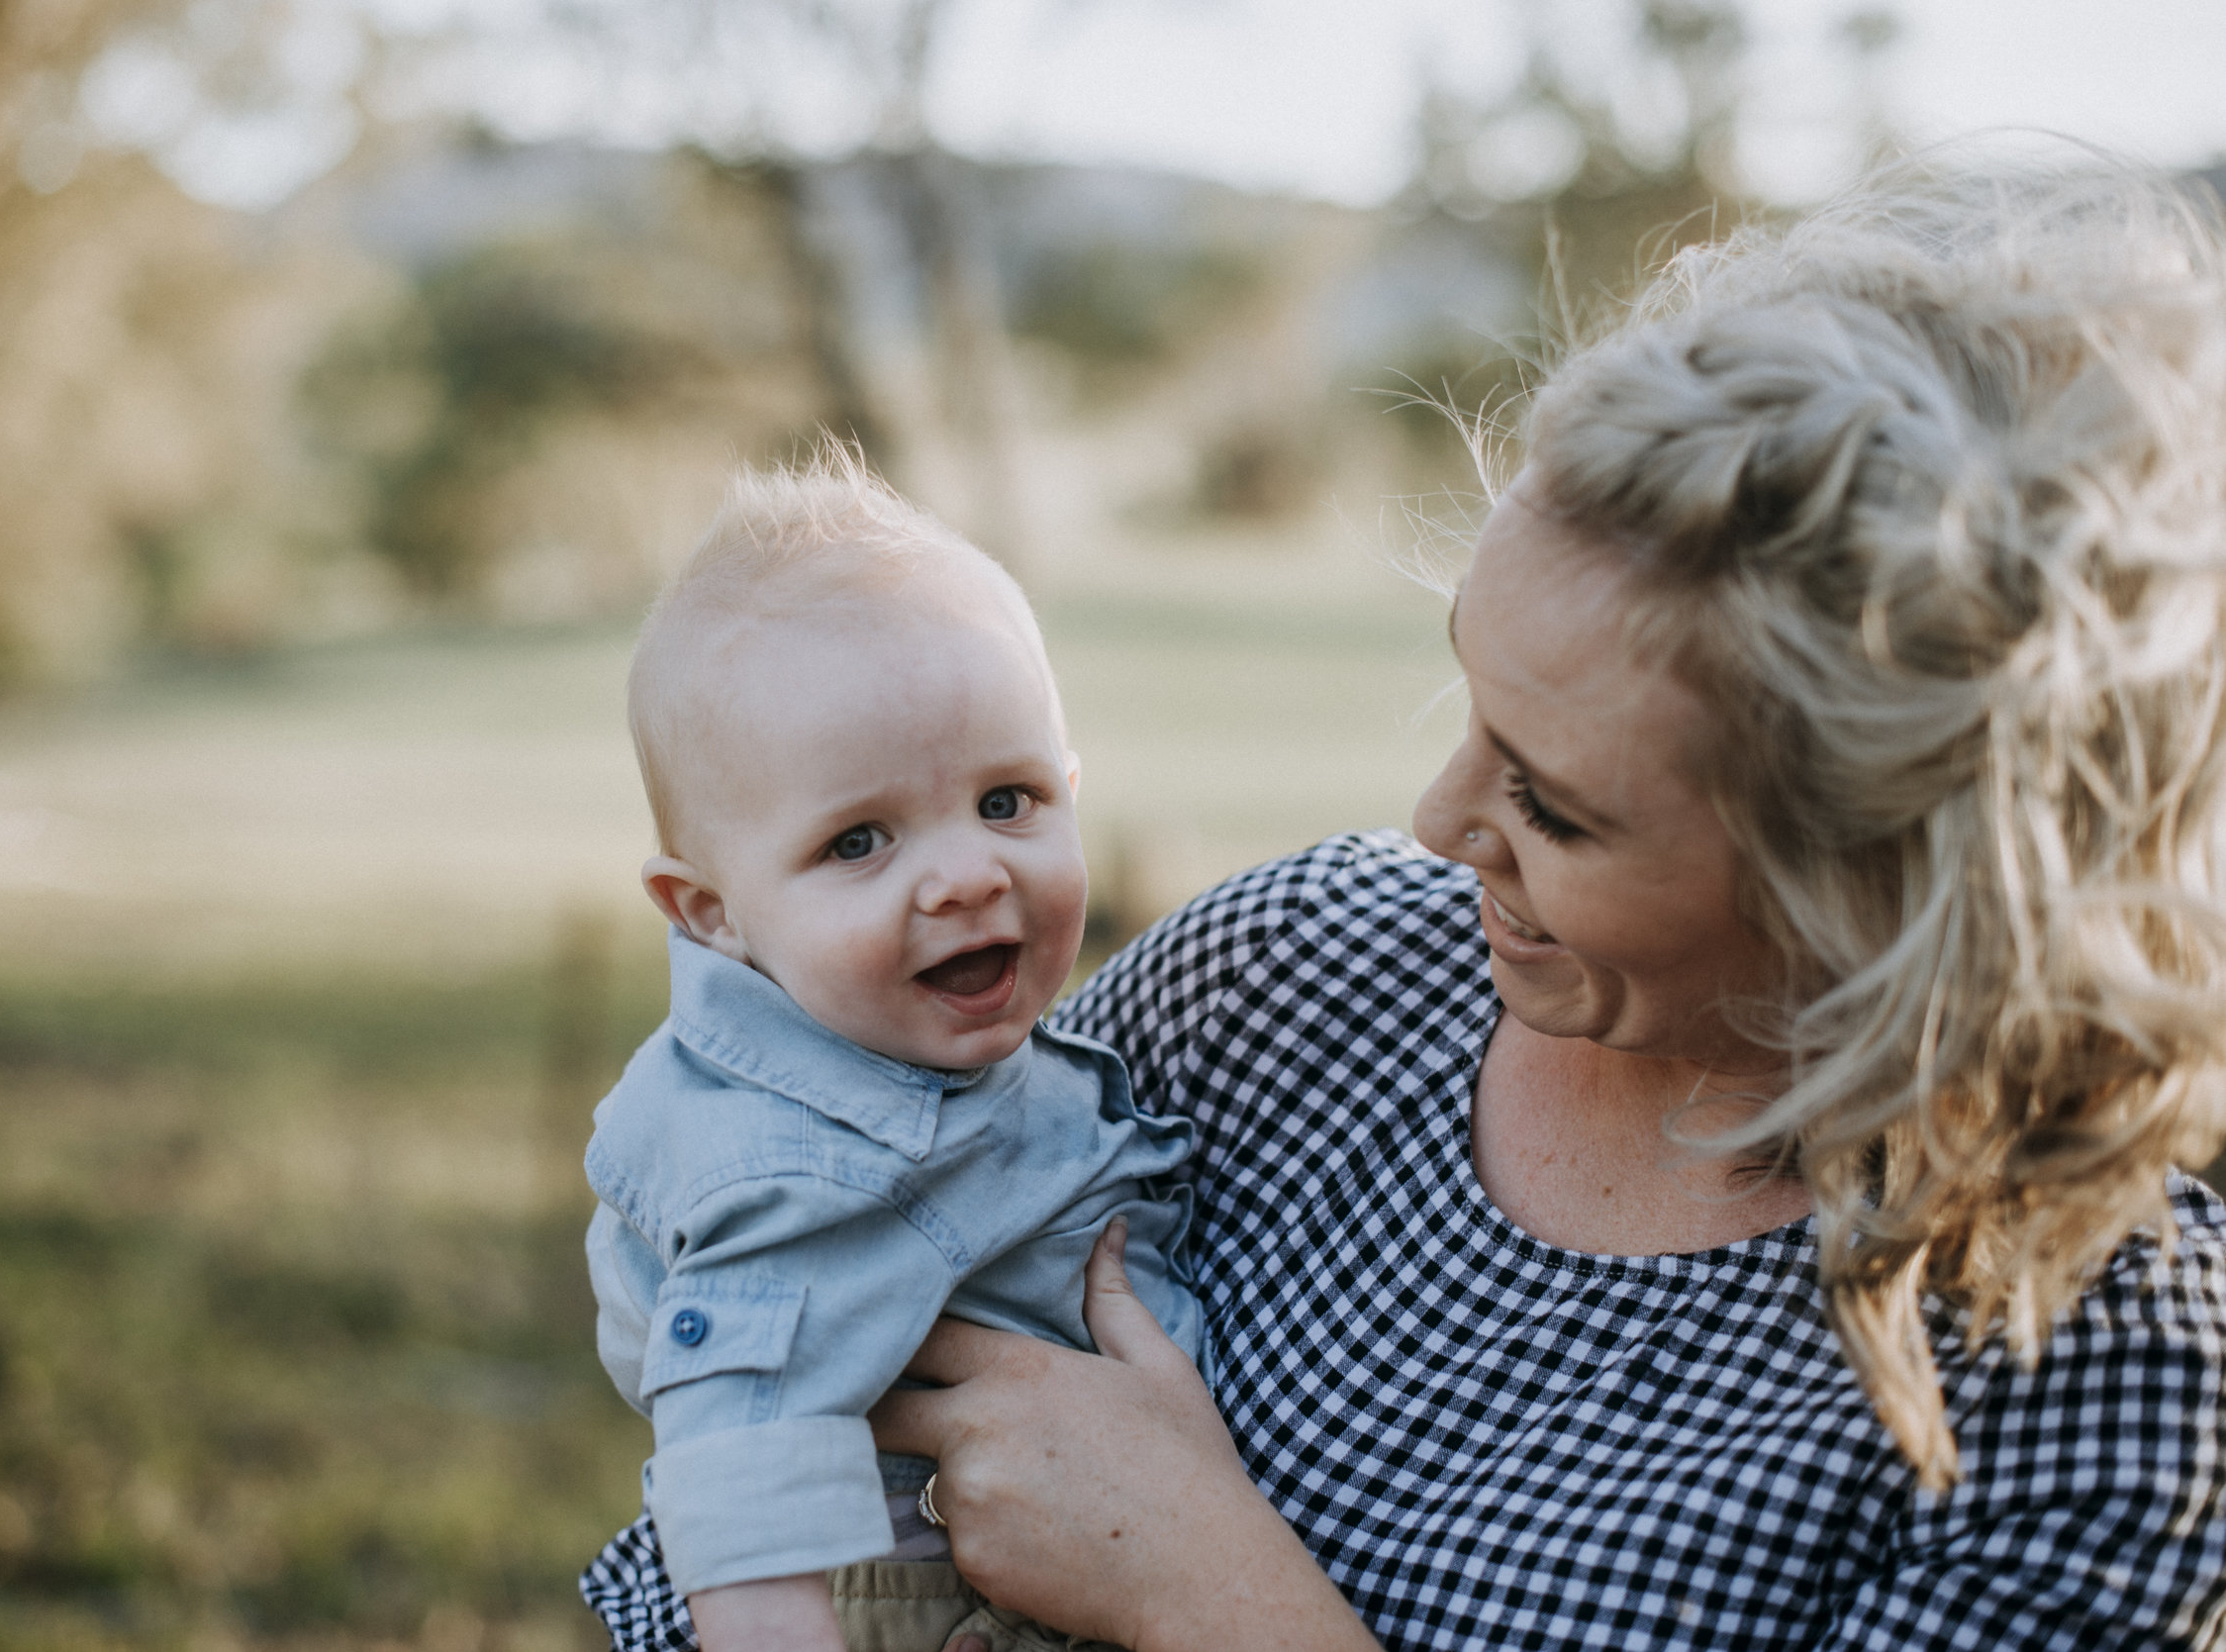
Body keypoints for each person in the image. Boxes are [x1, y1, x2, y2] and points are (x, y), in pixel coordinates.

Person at [582, 160, 2226, 1650]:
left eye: (1554, 803)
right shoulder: (1294, 975)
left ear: (1893, 882)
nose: (1439, 824)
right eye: (1470, 709)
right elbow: (752, 1437)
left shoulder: (2102, 1378)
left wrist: (1210, 1593)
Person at [582, 455, 1208, 1652]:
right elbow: (744, 1496)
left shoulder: (887, 1049)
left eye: (1009, 800)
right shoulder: (794, 1174)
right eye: (859, 840)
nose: (969, 872)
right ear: (708, 909)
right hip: (929, 1599)